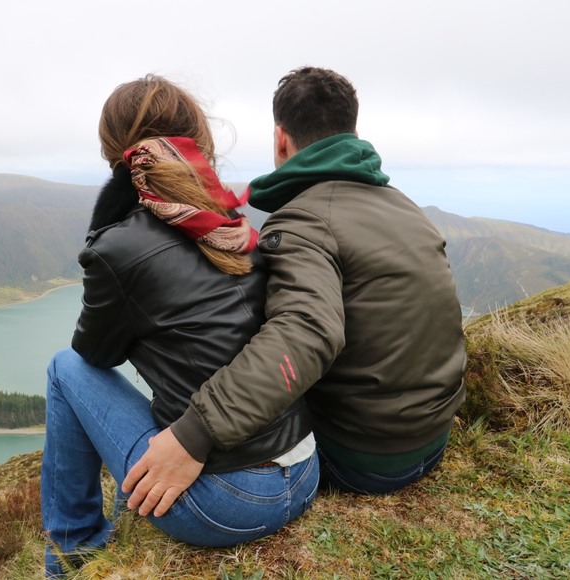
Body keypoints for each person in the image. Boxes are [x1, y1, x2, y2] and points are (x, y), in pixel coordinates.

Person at [124, 66, 467, 505]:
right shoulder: (405, 207)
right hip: (432, 438)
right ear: (353, 130)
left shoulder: (303, 220)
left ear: (280, 139)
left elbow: (306, 333)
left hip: (362, 459)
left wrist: (195, 433)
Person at [41, 75, 318, 577]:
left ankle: (73, 553)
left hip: (228, 503)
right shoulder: (231, 220)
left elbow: (95, 355)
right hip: (303, 471)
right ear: (200, 141)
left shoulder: (117, 247)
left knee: (64, 369)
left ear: (114, 152)